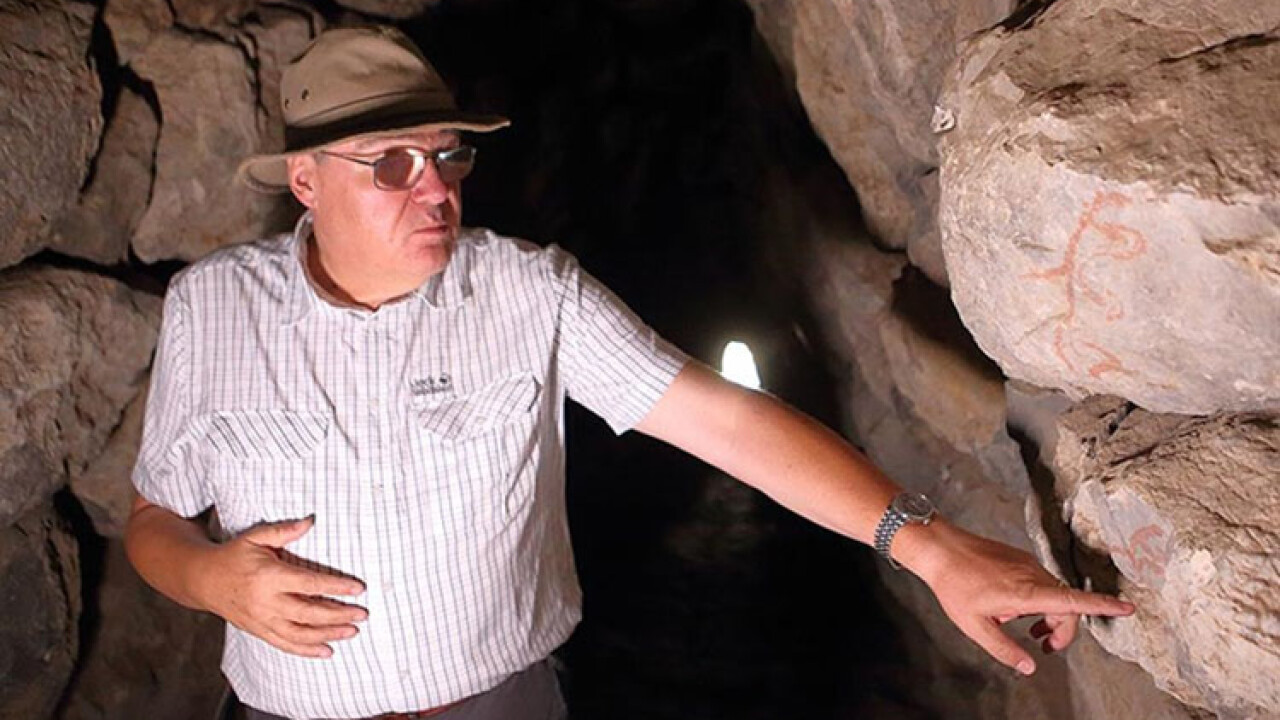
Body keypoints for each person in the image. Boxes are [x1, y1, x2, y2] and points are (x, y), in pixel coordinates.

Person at [124, 25, 1134, 720]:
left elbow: (727, 423)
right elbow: (153, 519)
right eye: (391, 163)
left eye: (447, 155)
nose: (434, 188)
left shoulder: (526, 293)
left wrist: (934, 550)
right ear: (306, 181)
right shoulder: (215, 310)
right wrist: (210, 578)